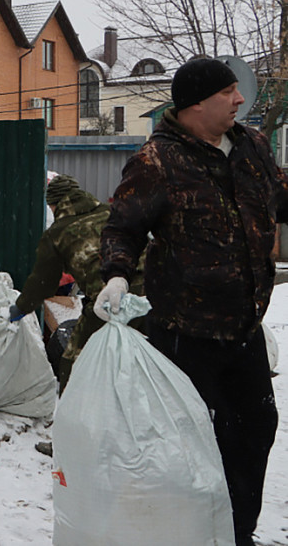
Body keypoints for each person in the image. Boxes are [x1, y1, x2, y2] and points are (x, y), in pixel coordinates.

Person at [95, 57, 287, 546]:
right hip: (185, 335)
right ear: (196, 103)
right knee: (188, 447)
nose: (240, 100)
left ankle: (236, 534)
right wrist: (116, 275)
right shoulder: (157, 162)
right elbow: (123, 227)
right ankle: (188, 534)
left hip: (244, 330)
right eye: (229, 93)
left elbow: (280, 196)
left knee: (255, 430)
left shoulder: (252, 147)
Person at [9, 175, 142, 391]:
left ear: (55, 204)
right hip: (151, 295)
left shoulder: (58, 233)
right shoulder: (111, 213)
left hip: (108, 299)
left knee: (74, 360)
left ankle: (73, 412)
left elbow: (42, 283)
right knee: (143, 358)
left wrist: (21, 308)